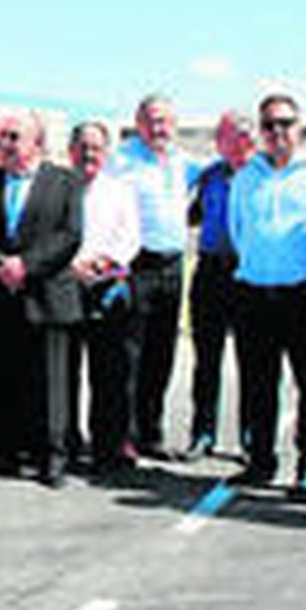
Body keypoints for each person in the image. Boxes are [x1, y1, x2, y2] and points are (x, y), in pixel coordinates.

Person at [0, 110, 83, 487]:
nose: (7, 144)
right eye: (5, 138)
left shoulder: (64, 182)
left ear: (37, 142)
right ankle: (2, 453)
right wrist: (2, 265)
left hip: (45, 294)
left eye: (16, 137)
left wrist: (26, 266)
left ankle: (52, 458)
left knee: (50, 382)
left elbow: (69, 235)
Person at [227, 94, 306, 495]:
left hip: (304, 294)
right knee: (258, 384)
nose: (277, 132)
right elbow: (238, 231)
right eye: (269, 125)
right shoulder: (246, 176)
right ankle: (260, 462)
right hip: (254, 292)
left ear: (300, 127)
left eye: (285, 123)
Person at [108, 94, 201, 460]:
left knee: (162, 353)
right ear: (138, 122)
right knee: (130, 353)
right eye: (152, 120)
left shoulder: (183, 162)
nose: (159, 128)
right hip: (137, 265)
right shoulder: (122, 160)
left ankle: (151, 431)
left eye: (165, 121)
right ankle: (125, 436)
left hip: (173, 265)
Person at [66, 121, 140, 476]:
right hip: (66, 285)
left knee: (109, 374)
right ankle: (66, 442)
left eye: (96, 147)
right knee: (66, 371)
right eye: (82, 146)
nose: (88, 154)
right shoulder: (58, 187)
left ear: (106, 152)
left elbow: (130, 238)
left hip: (107, 288)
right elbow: (46, 232)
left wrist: (103, 261)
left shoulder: (120, 191)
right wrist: (72, 265)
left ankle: (107, 446)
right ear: (70, 150)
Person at [184, 111, 255, 460]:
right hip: (211, 269)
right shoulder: (210, 175)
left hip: (247, 273)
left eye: (241, 134)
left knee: (251, 360)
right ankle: (203, 432)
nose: (235, 141)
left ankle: (250, 437)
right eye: (226, 136)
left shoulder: (260, 174)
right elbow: (194, 214)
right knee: (206, 358)